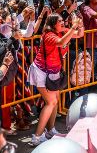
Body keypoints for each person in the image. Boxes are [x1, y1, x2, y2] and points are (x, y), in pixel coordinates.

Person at [27, 13, 82, 146]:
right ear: (52, 24)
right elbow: (62, 42)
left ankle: (50, 131)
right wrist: (73, 26)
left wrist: (79, 24)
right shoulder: (49, 36)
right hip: (42, 72)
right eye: (60, 21)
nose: (63, 23)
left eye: (63, 20)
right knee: (51, 102)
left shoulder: (61, 32)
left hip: (52, 72)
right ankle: (37, 137)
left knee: (55, 101)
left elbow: (79, 34)